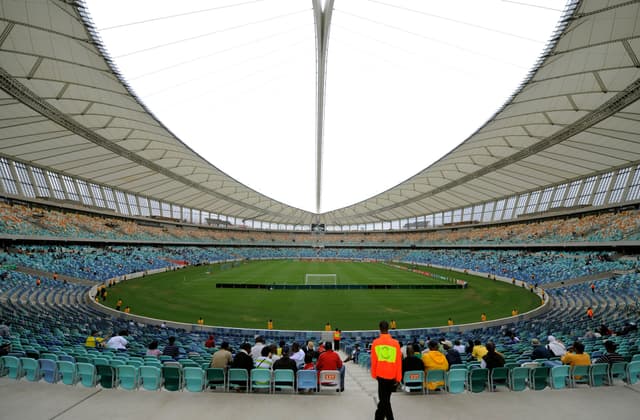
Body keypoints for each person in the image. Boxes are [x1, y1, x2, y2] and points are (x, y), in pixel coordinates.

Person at [371, 320, 402, 420]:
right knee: (385, 399)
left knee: (384, 400)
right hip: (392, 375)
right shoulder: (395, 343)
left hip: (380, 374)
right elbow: (398, 362)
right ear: (388, 329)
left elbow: (374, 360)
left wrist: (374, 374)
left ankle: (381, 417)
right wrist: (398, 378)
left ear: (380, 329)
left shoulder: (375, 343)